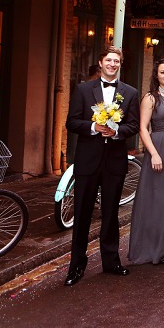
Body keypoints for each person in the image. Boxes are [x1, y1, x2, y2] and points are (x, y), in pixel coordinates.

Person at [64, 46, 140, 286]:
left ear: (121, 64)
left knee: (110, 213)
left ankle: (111, 261)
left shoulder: (130, 93)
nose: (112, 64)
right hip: (87, 160)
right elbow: (72, 122)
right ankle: (76, 266)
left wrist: (117, 131)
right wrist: (94, 127)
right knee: (82, 214)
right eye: (109, 60)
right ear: (100, 62)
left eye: (117, 61)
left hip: (114, 161)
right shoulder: (83, 90)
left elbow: (134, 125)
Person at [128, 58, 164, 265]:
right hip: (160, 148)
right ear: (157, 75)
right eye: (163, 72)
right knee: (159, 199)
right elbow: (143, 128)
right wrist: (153, 153)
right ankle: (157, 248)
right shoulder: (151, 98)